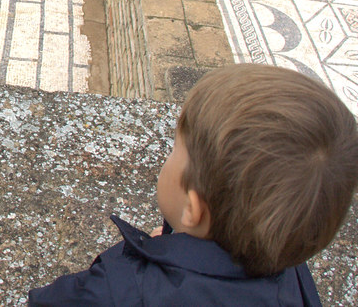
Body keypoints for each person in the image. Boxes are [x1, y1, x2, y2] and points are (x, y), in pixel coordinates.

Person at [28, 64, 358, 306]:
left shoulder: (119, 288)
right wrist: (180, 249)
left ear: (193, 207)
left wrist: (141, 264)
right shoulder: (295, 282)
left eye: (175, 148)